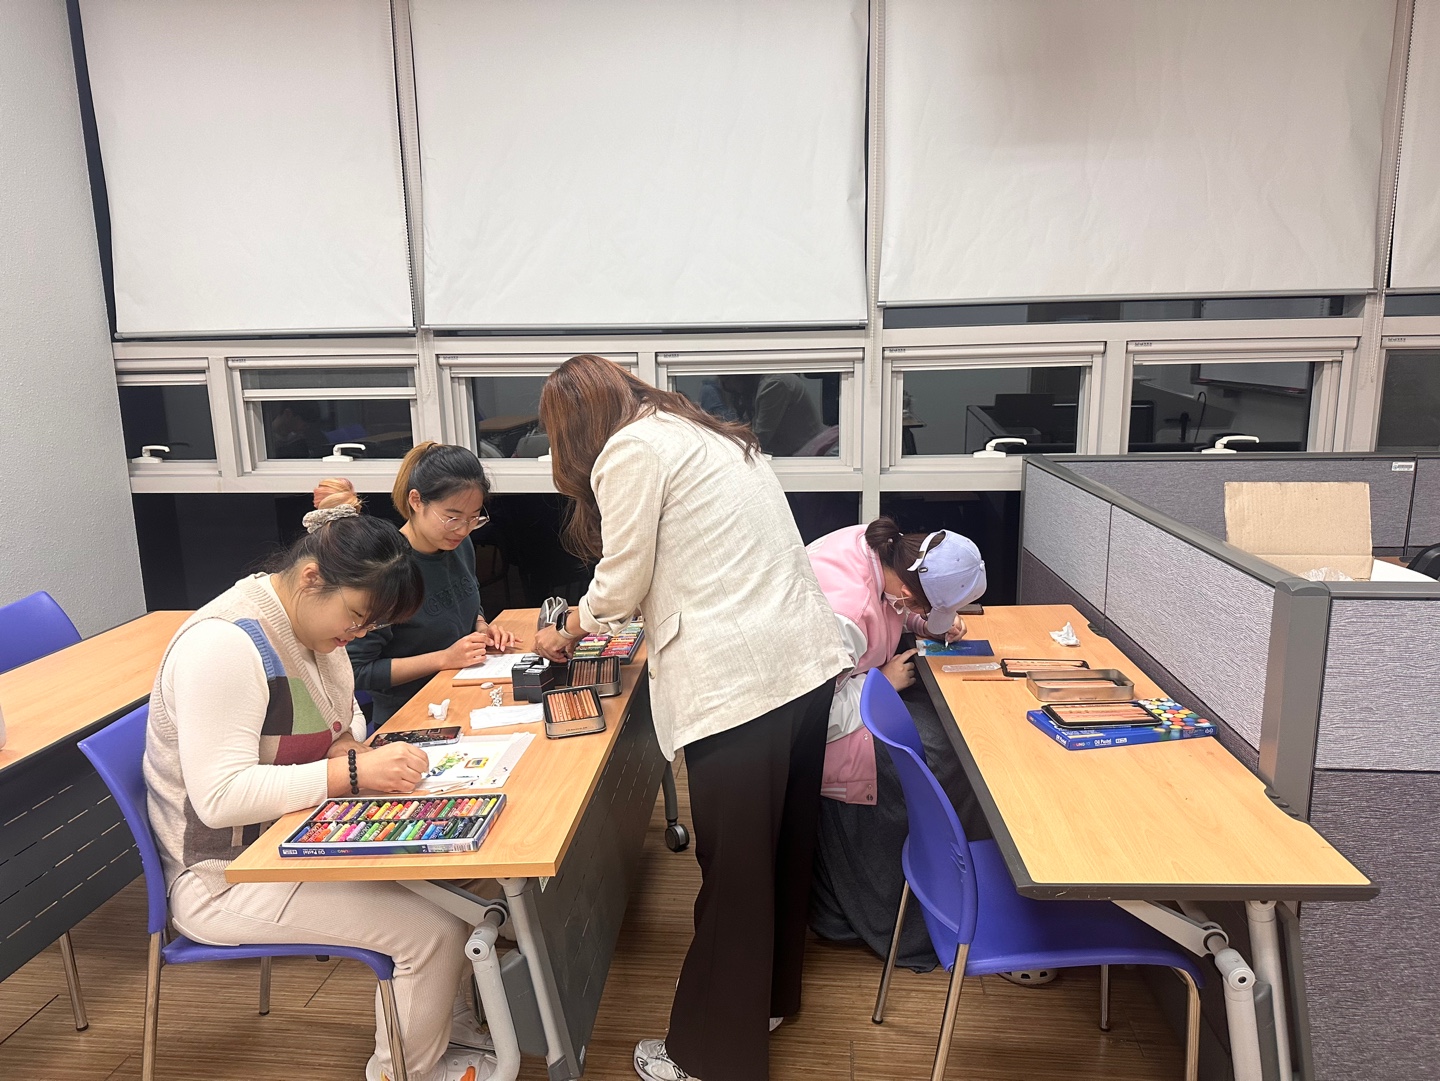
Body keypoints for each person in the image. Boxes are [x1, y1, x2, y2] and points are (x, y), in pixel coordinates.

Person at [530, 354, 850, 1081]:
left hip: (741, 685)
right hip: (802, 663)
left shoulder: (631, 449)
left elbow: (622, 580)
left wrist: (570, 624)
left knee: (733, 871)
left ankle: (708, 1058)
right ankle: (765, 1002)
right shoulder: (706, 433)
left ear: (573, 424)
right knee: (781, 849)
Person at [143, 505, 497, 1081]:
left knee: (466, 880)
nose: (357, 636)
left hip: (300, 835)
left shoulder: (314, 632)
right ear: (311, 578)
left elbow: (341, 723)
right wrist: (350, 773)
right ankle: (402, 1072)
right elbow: (221, 797)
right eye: (356, 617)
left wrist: (350, 751)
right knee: (434, 930)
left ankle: (447, 1033)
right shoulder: (224, 645)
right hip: (225, 877)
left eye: (369, 626)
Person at [805, 520, 990, 971]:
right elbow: (809, 714)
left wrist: (925, 622)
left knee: (955, 743)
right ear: (910, 591)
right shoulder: (845, 614)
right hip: (831, 729)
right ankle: (928, 916)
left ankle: (962, 891)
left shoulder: (885, 550)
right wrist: (880, 682)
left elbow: (893, 605)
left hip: (861, 688)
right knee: (952, 761)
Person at [347, 443, 517, 727]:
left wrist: (481, 628)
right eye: (452, 518)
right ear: (416, 501)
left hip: (464, 696)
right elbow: (356, 671)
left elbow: (465, 600)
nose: (463, 530)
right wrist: (444, 658)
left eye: (473, 518)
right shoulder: (386, 569)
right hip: (409, 717)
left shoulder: (458, 545)